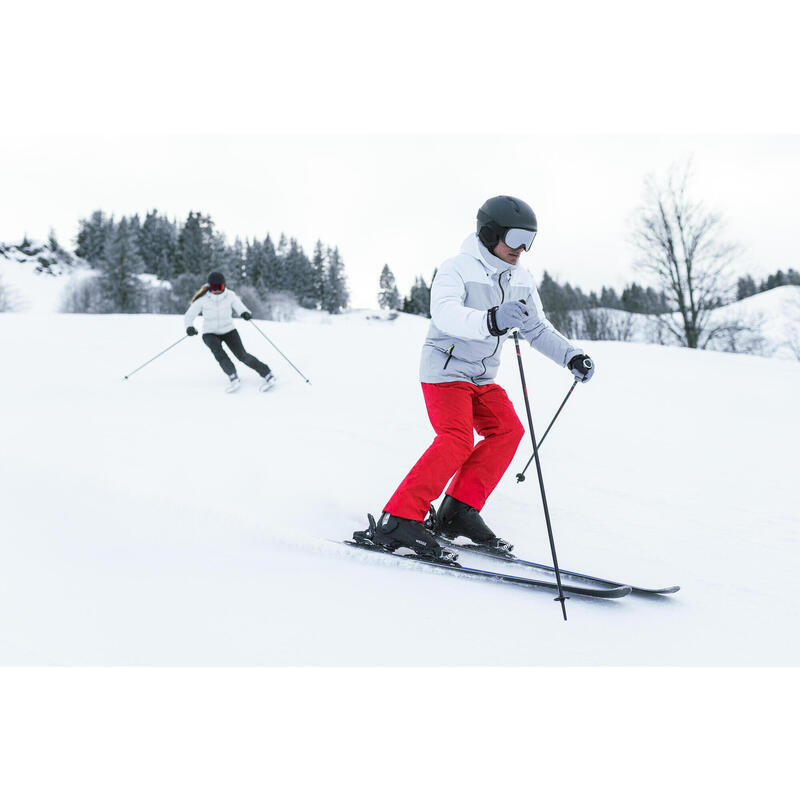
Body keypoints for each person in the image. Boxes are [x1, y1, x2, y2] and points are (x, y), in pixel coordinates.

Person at [372, 195, 595, 557]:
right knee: (456, 438)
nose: (522, 249)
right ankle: (399, 518)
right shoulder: (457, 268)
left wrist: (571, 356)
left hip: (481, 377)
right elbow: (445, 315)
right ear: (491, 233)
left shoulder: (520, 277)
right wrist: (491, 320)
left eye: (530, 240)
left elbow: (536, 328)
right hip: (445, 370)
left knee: (508, 430)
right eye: (516, 238)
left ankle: (457, 511)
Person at [184, 271, 276, 393]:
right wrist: (189, 327)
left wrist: (244, 313)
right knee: (220, 354)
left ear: (224, 286)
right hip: (210, 333)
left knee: (242, 355)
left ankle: (267, 373)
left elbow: (239, 306)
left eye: (220, 287)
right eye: (214, 287)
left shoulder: (230, 296)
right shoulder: (202, 299)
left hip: (228, 330)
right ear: (209, 286)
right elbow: (189, 315)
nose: (217, 290)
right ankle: (232, 375)